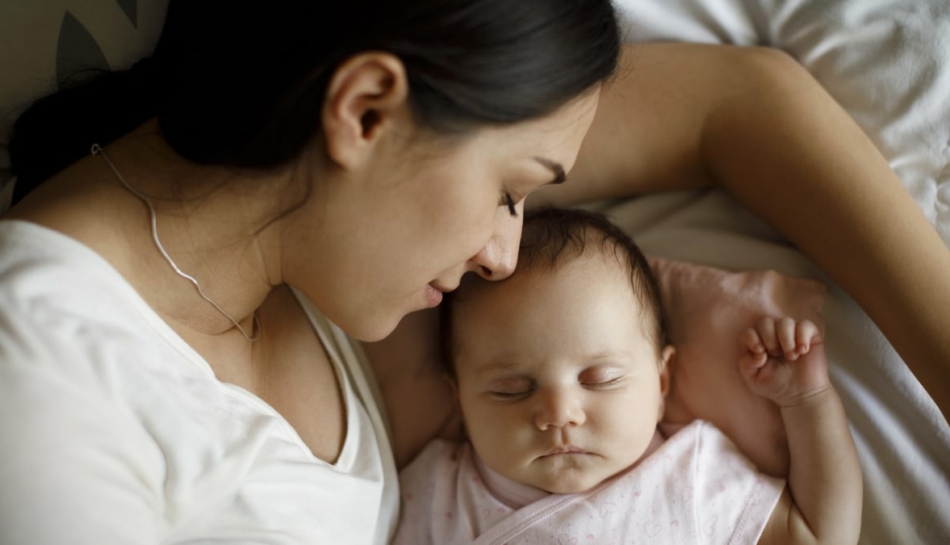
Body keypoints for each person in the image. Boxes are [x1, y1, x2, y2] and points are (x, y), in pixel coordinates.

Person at [0, 0, 945, 543]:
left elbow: (740, 101)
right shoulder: (41, 375)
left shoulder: (304, 219)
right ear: (367, 111)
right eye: (510, 191)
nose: (503, 253)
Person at [394, 208, 862, 545]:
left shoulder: (692, 476)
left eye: (599, 378)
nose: (559, 413)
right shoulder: (437, 491)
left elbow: (817, 536)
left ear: (662, 381)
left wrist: (807, 402)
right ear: (459, 399)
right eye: (510, 390)